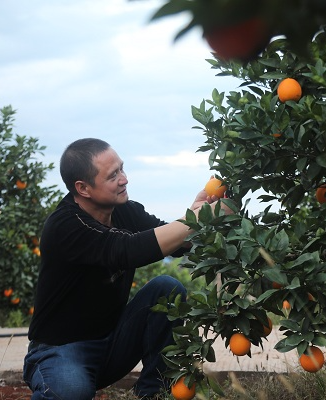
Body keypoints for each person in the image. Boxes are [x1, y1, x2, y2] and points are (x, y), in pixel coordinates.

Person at [23, 138, 229, 399]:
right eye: (113, 176)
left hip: (111, 344)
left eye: (121, 169)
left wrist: (197, 216)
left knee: (167, 289)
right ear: (83, 188)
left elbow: (176, 243)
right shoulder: (64, 226)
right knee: (72, 391)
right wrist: (195, 221)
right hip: (60, 351)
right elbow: (126, 250)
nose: (124, 179)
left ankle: (153, 392)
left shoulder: (124, 211)